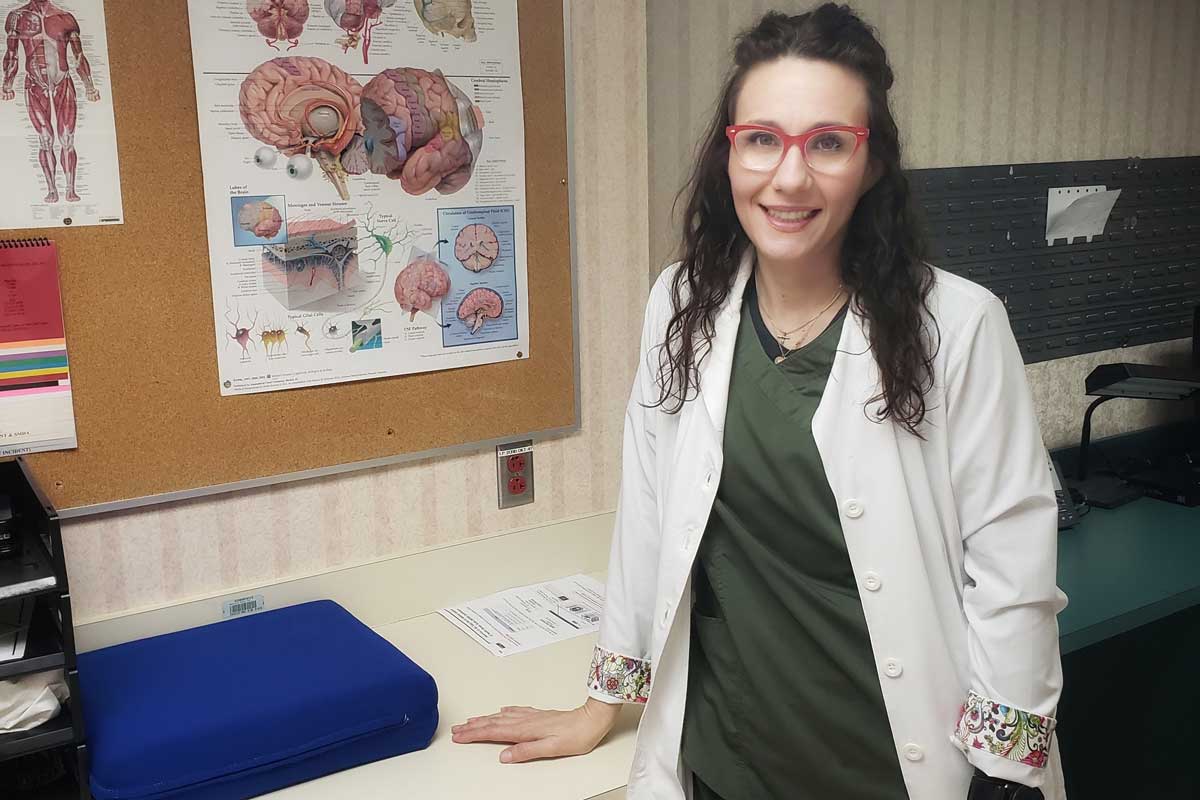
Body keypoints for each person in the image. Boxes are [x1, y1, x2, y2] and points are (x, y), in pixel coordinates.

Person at [453, 5, 1066, 799]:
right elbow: (647, 516)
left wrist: (1005, 774)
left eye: (829, 143)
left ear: (871, 163)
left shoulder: (956, 325)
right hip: (728, 755)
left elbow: (1012, 569)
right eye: (764, 139)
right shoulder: (682, 304)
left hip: (895, 758)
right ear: (729, 153)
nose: (789, 177)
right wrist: (603, 701)